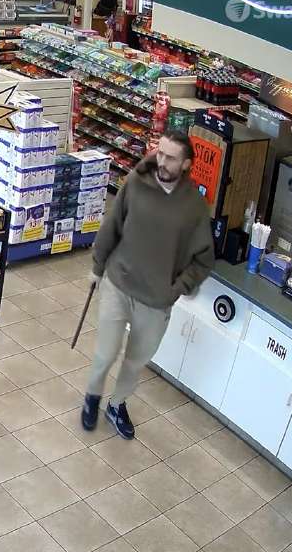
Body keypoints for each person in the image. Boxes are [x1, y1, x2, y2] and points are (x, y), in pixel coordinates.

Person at [82, 131, 215, 439]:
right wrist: (98, 267)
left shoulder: (194, 207)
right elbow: (112, 224)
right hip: (119, 282)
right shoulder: (136, 182)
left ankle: (117, 404)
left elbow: (204, 259)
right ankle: (92, 396)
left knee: (135, 361)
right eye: (160, 153)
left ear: (186, 164)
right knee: (105, 353)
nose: (162, 161)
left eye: (171, 158)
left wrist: (178, 287)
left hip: (156, 299)